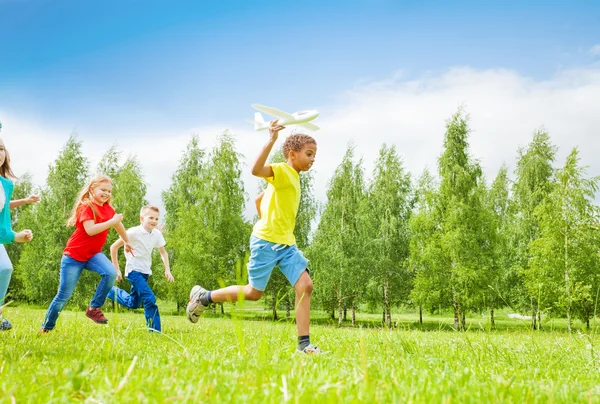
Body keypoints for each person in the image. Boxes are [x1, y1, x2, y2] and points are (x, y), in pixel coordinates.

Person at [186, 120, 324, 354]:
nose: (313, 159)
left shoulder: (292, 177)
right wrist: (271, 140)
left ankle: (304, 346)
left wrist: (270, 219)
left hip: (287, 244)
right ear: (292, 154)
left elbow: (260, 200)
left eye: (314, 155)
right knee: (253, 293)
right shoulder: (281, 170)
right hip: (266, 243)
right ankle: (204, 297)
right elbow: (256, 170)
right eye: (309, 154)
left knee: (305, 285)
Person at [40, 175, 133, 332]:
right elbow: (90, 230)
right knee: (63, 296)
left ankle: (94, 308)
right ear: (92, 189)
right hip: (73, 257)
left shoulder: (109, 210)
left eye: (109, 191)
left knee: (110, 273)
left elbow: (119, 227)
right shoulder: (86, 207)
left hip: (92, 255)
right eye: (103, 190)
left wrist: (127, 241)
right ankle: (46, 328)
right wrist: (112, 221)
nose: (106, 193)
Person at [108, 205, 174, 332]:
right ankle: (154, 330)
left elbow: (163, 252)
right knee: (150, 298)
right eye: (151, 218)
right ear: (142, 218)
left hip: (145, 272)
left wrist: (167, 270)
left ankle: (110, 291)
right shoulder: (133, 232)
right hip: (133, 271)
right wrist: (117, 269)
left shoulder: (157, 234)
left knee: (134, 303)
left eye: (156, 218)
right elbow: (113, 247)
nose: (154, 221)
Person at [0, 135, 37, 330]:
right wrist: (14, 236)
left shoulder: (5, 184)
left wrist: (24, 201)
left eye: (1, 148)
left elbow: (3, 210)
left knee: (5, 268)